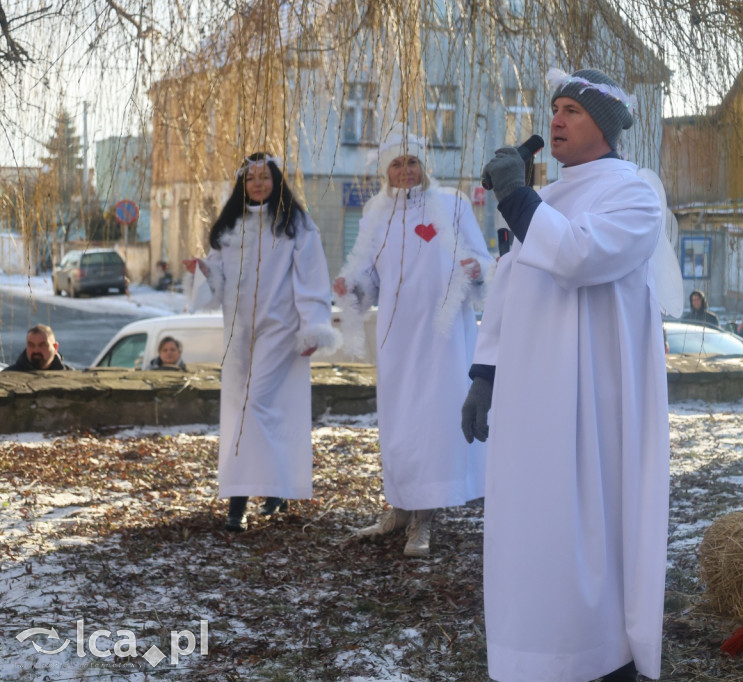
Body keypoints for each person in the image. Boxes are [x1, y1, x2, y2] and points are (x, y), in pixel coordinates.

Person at [461, 67, 669, 682]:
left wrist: (516, 197)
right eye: (554, 108)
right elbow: (510, 281)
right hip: (531, 396)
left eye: (573, 110)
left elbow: (579, 256)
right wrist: (485, 374)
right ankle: (529, 659)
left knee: (586, 533)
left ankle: (599, 659)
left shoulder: (635, 192)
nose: (556, 119)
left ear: (604, 126)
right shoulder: (544, 200)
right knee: (527, 530)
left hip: (593, 401)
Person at [334, 131, 492, 558]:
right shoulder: (375, 214)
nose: (406, 171)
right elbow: (370, 277)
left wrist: (476, 269)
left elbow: (484, 263)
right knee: (399, 421)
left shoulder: (453, 205)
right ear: (386, 171)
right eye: (397, 164)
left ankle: (425, 517)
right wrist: (352, 286)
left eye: (413, 162)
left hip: (442, 336)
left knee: (435, 422)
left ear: (425, 165)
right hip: (398, 337)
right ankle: (400, 506)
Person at [184, 152, 340, 532]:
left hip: (280, 330)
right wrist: (202, 270)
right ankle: (272, 487)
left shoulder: (295, 225)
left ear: (276, 181)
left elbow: (313, 279)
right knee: (243, 411)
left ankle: (241, 500)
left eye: (264, 177)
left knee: (255, 403)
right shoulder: (231, 226)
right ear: (243, 184)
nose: (258, 184)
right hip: (239, 334)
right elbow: (218, 277)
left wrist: (313, 326)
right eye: (251, 178)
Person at [3, 324, 73, 372]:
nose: (36, 350)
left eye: (42, 345)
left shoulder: (70, 376)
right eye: (31, 345)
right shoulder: (7, 376)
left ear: (55, 347)